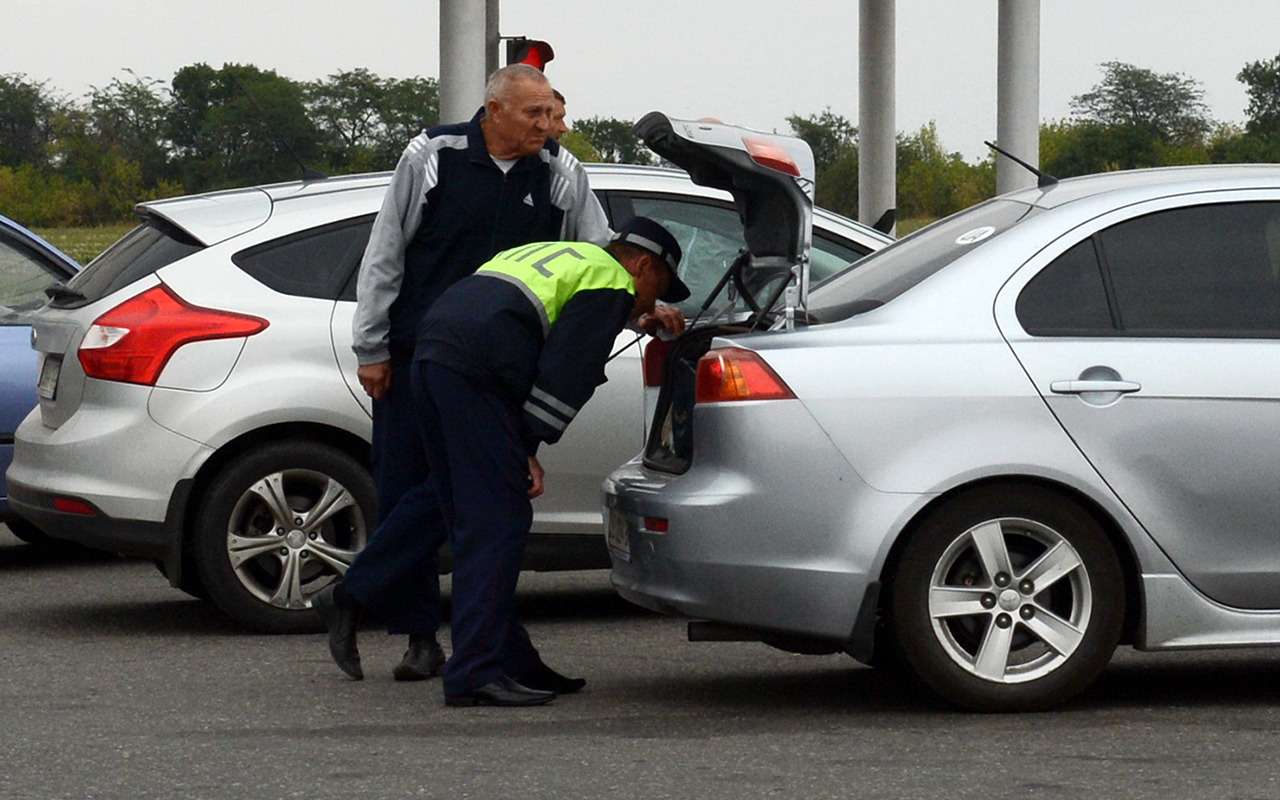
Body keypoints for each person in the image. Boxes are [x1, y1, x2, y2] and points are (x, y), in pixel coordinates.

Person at [314, 63, 611, 683]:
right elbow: (386, 250)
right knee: (411, 489)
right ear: (493, 110)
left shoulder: (561, 173)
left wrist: (648, 301)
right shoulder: (434, 154)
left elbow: (598, 254)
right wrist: (370, 345)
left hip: (496, 363)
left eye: (552, 114)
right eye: (535, 114)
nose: (548, 127)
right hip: (414, 351)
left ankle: (362, 595)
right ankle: (420, 638)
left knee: (462, 495)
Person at [409, 216, 690, 706]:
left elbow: (550, 311)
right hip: (477, 373)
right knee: (499, 522)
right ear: (643, 265)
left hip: (433, 358)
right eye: (658, 288)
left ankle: (512, 660)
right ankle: (473, 673)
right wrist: (527, 447)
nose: (651, 300)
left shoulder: (564, 255)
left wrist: (633, 319)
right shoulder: (613, 281)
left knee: (472, 519)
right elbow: (566, 376)